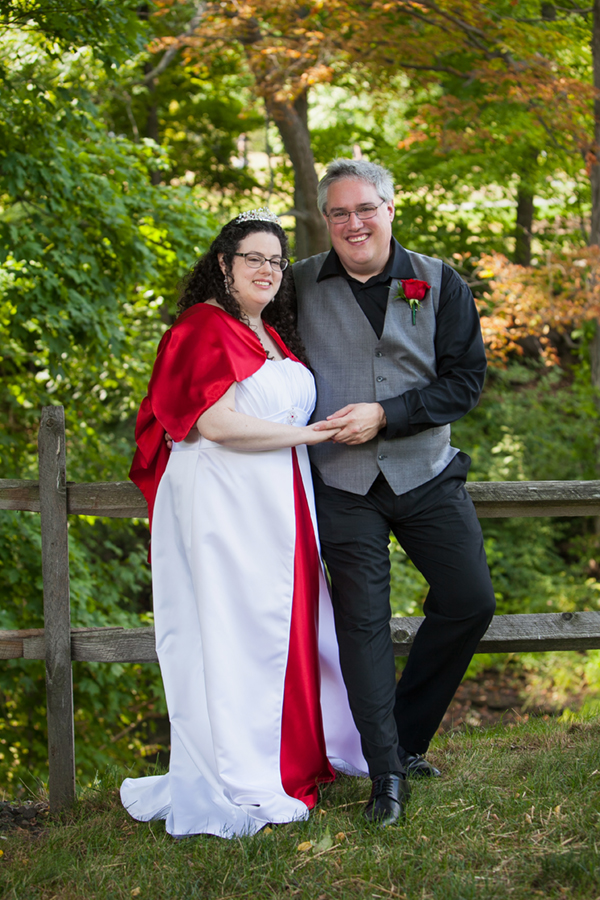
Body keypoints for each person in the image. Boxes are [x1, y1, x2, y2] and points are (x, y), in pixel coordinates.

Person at [121, 209, 367, 839]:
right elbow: (216, 425)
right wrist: (310, 433)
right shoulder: (203, 328)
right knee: (235, 635)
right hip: (223, 503)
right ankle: (240, 772)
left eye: (276, 260)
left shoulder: (269, 334)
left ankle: (291, 757)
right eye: (253, 257)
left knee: (285, 627)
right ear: (224, 265)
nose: (267, 269)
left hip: (278, 499)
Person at [292, 159, 497, 826]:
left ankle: (404, 738)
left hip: (426, 472)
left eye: (365, 208)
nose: (354, 222)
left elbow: (465, 380)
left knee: (470, 600)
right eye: (339, 212)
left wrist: (387, 415)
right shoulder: (296, 285)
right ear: (327, 220)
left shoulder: (438, 281)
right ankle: (386, 774)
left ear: (389, 206)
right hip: (342, 484)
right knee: (363, 626)